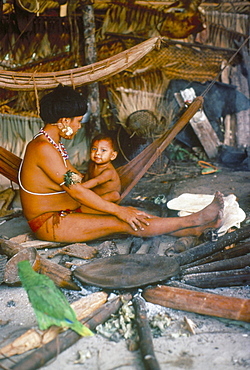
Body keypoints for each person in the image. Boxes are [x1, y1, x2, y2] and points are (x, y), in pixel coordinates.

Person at [18, 84, 224, 243]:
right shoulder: (43, 148)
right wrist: (118, 210)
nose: (79, 127)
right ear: (64, 121)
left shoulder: (53, 145)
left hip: (67, 210)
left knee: (133, 214)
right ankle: (194, 219)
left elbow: (73, 179)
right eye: (77, 121)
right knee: (123, 220)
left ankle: (194, 229)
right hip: (50, 222)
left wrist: (99, 179)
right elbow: (76, 191)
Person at [82, 133, 121, 203]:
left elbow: (96, 181)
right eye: (94, 149)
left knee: (114, 195)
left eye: (103, 150)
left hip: (105, 198)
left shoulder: (109, 171)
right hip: (95, 195)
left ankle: (91, 204)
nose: (97, 153)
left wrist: (78, 188)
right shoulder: (91, 165)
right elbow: (86, 179)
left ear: (113, 155)